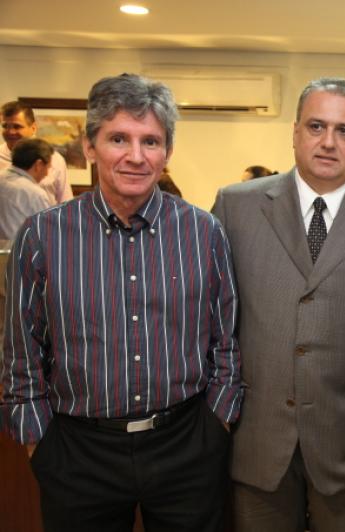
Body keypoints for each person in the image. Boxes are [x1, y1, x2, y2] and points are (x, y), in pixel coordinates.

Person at [1, 73, 242, 532]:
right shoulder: (43, 236)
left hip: (187, 446)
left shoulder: (203, 233)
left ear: (167, 152)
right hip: (78, 452)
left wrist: (218, 423)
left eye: (151, 141)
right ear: (90, 146)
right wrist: (38, 441)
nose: (136, 156)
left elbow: (225, 339)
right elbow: (21, 349)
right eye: (118, 139)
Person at [212, 77, 345, 532]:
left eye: (344, 131)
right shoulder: (235, 208)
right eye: (316, 126)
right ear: (295, 132)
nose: (329, 142)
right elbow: (213, 322)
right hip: (257, 439)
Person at [1, 100, 72, 205]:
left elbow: (66, 202)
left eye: (17, 126)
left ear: (33, 128)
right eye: (5, 126)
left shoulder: (54, 159)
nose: (10, 132)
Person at [0, 138, 53, 240]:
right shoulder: (35, 194)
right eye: (48, 167)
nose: (47, 173)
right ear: (38, 165)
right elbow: (48, 235)